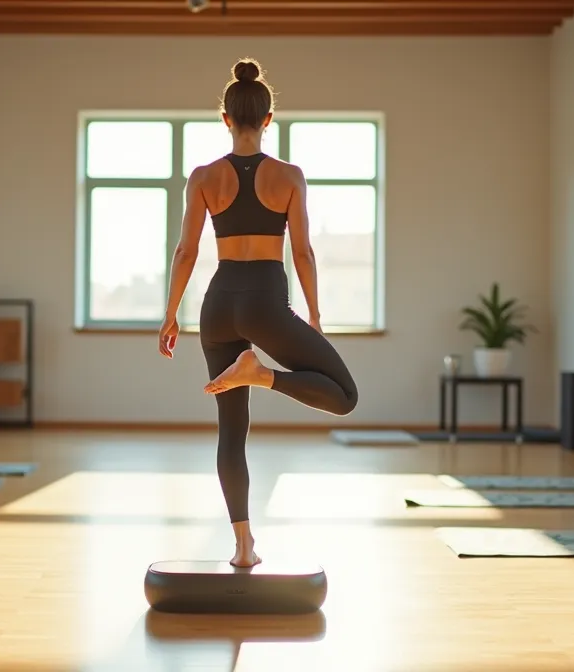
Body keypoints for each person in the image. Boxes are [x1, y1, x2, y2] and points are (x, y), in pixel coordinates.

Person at [157, 58, 359, 567]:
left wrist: (170, 314)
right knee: (344, 396)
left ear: (225, 119)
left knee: (231, 431)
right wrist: (314, 314)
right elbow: (303, 252)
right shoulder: (288, 176)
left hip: (218, 306)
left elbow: (185, 252)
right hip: (266, 303)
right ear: (268, 120)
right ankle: (263, 375)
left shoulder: (203, 177)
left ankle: (244, 545)